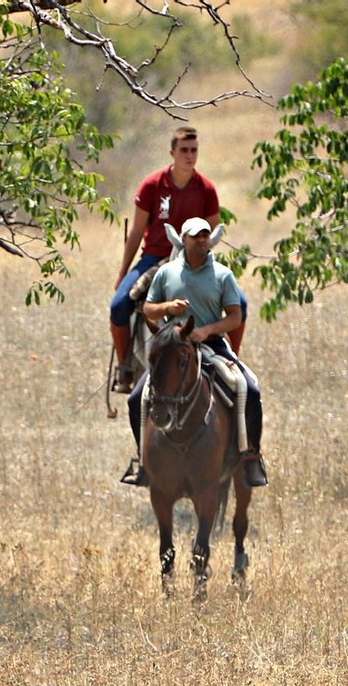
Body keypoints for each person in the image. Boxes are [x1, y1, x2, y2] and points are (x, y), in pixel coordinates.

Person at [121, 216, 267, 488]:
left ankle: (251, 458)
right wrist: (167, 308)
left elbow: (235, 317)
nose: (202, 240)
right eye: (195, 236)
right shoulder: (166, 272)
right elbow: (148, 309)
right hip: (173, 348)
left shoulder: (223, 274)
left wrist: (207, 329)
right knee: (135, 398)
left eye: (205, 235)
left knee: (250, 389)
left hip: (211, 344)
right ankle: (143, 462)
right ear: (183, 240)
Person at [111, 126, 247, 388]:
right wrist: (123, 273)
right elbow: (138, 231)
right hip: (154, 256)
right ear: (172, 152)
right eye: (184, 150)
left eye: (194, 150)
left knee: (240, 303)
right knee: (118, 305)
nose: (189, 155)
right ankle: (125, 368)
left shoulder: (206, 189)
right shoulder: (152, 185)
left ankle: (233, 360)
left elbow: (209, 236)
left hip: (192, 260)